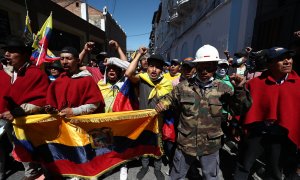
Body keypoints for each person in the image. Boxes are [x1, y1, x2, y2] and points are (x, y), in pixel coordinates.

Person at [155, 44, 252, 180]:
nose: (205, 71)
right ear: (196, 67)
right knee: (177, 176)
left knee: (210, 177)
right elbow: (169, 99)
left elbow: (240, 109)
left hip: (210, 144)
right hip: (186, 142)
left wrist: (240, 90)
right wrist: (163, 103)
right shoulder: (183, 87)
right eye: (201, 67)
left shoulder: (224, 88)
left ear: (215, 67)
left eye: (210, 67)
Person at [234, 47, 300, 180]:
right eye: (281, 59)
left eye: (289, 58)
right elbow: (242, 108)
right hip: (257, 132)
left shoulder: (298, 84)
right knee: (243, 166)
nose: (287, 61)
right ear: (270, 63)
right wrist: (237, 125)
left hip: (281, 136)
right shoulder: (255, 83)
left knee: (274, 171)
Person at [0, 36, 49, 180]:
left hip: (28, 121)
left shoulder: (36, 74)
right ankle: (30, 172)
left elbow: (42, 100)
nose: (7, 54)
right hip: (8, 120)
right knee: (18, 147)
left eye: (12, 51)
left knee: (37, 149)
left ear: (25, 55)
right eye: (6, 51)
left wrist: (15, 112)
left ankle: (46, 173)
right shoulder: (7, 73)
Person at [125, 47, 173, 180]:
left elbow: (171, 100)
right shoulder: (142, 79)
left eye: (158, 67)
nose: (154, 70)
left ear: (162, 69)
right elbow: (128, 74)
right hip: (143, 120)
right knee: (144, 142)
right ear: (147, 66)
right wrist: (139, 54)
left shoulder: (167, 84)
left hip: (158, 120)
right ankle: (145, 166)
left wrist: (165, 104)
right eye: (151, 66)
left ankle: (157, 168)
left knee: (158, 143)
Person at [46, 46, 105, 118]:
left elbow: (94, 104)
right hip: (62, 125)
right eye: (62, 59)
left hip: (81, 125)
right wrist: (53, 110)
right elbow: (53, 104)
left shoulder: (87, 80)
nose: (64, 62)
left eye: (69, 58)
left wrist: (74, 111)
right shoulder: (58, 81)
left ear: (77, 60)